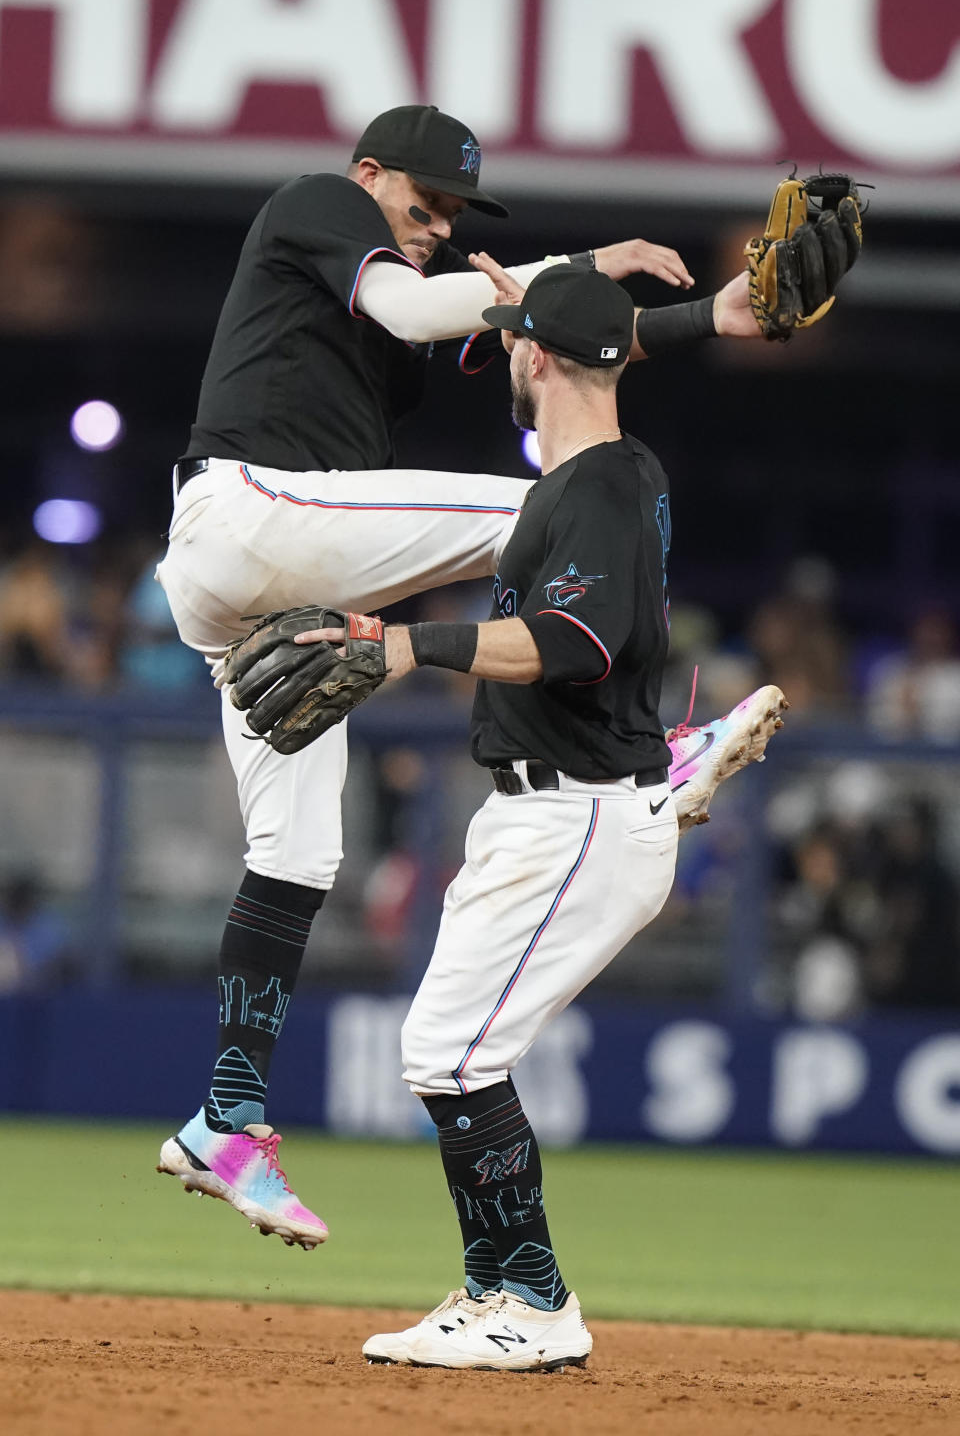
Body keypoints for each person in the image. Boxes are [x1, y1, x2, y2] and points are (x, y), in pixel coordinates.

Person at [155, 104, 778, 1248]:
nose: (437, 226)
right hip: (249, 515)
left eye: (450, 214)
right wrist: (584, 261)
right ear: (370, 174)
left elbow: (572, 358)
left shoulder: (410, 314)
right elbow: (416, 301)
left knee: (301, 851)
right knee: (553, 508)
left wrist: (713, 317)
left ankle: (224, 1123)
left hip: (264, 593)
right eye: (423, 202)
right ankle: (651, 752)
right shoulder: (320, 205)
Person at [283, 262, 678, 1368]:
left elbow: (576, 645)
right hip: (559, 808)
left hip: (575, 818)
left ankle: (536, 1304)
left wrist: (404, 641)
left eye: (512, 337)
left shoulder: (596, 483)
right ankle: (496, 1290)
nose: (502, 351)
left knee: (452, 1054)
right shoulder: (604, 472)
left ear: (540, 356)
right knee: (449, 1053)